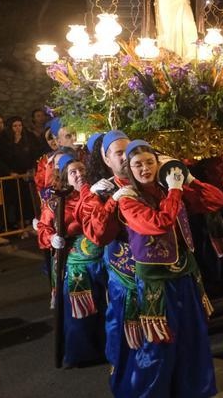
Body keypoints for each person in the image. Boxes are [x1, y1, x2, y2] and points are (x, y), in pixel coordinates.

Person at [117, 140, 223, 397]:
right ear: (129, 169)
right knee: (160, 346)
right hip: (156, 283)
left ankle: (194, 390)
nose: (145, 169)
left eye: (150, 162)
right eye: (138, 165)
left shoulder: (168, 188)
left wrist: (190, 180)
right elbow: (159, 223)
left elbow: (217, 200)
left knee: (192, 337)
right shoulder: (128, 199)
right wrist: (176, 191)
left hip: (186, 275)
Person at [74, 130, 141, 397]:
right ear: (105, 158)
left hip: (155, 275)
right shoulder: (98, 193)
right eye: (118, 152)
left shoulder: (148, 179)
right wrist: (110, 200)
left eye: (129, 151)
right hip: (124, 277)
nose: (125, 158)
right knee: (125, 334)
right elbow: (99, 235)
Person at [37, 154, 108, 367]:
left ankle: (108, 347)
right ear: (65, 177)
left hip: (101, 260)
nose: (79, 175)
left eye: (82, 170)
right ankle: (82, 353)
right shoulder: (56, 201)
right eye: (73, 172)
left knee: (106, 307)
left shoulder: (99, 193)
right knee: (81, 311)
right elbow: (43, 228)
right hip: (75, 263)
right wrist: (51, 238)